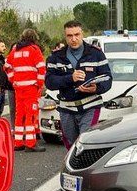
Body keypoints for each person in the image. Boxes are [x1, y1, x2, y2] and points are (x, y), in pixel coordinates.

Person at [46, 20, 112, 149]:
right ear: (65, 37)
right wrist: (70, 78)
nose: (74, 39)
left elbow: (108, 79)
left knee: (86, 141)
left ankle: (88, 168)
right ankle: (73, 168)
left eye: (77, 34)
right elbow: (49, 82)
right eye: (69, 36)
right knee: (71, 146)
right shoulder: (56, 57)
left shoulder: (96, 54)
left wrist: (96, 88)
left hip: (90, 106)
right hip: (67, 108)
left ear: (82, 34)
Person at [4, 29, 46, 152]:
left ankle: (18, 142)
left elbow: (6, 66)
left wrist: (13, 80)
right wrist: (39, 84)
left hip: (19, 88)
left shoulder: (15, 50)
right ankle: (30, 143)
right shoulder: (34, 49)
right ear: (34, 38)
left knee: (19, 115)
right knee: (30, 115)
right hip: (31, 88)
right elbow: (41, 68)